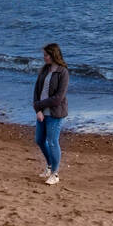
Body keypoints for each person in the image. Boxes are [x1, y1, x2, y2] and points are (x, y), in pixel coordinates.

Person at [32, 43, 69, 185]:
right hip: (42, 113)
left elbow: (58, 98)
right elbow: (37, 91)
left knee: (53, 142)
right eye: (44, 55)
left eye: (46, 55)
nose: (44, 58)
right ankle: (49, 166)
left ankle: (55, 173)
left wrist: (39, 105)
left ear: (54, 55)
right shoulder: (44, 70)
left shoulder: (63, 72)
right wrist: (38, 110)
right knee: (39, 140)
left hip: (56, 113)